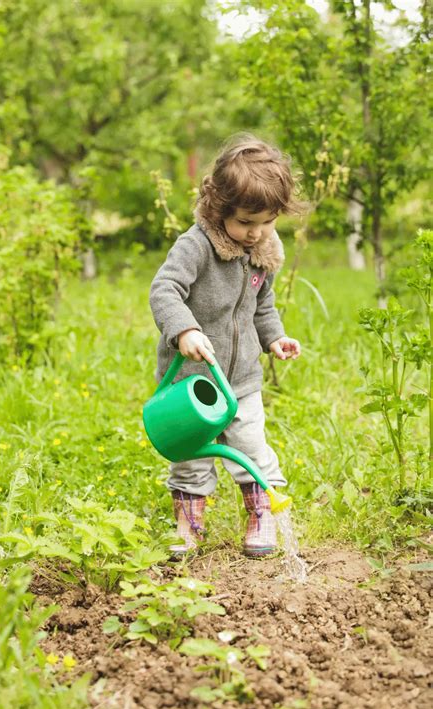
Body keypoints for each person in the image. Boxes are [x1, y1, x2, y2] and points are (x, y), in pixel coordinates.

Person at [149, 133, 303, 559]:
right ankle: (189, 521)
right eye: (246, 223)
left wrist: (275, 337)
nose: (255, 233)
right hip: (192, 382)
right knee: (192, 453)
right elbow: (164, 290)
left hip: (242, 381)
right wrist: (184, 330)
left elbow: (262, 303)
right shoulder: (196, 246)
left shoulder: (265, 251)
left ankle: (262, 513)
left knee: (250, 446)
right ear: (220, 209)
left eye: (266, 223)